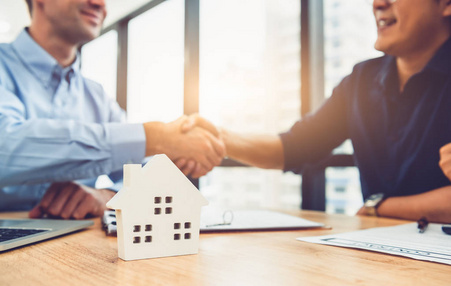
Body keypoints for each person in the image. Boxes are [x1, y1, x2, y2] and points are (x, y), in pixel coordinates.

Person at [179, 0, 451, 223]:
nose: (378, 3)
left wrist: (379, 208)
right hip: (376, 252)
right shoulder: (361, 79)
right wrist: (217, 138)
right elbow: (294, 146)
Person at [0, 0, 225, 219]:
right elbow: (5, 145)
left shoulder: (96, 96)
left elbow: (143, 175)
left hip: (72, 245)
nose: (100, 3)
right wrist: (156, 137)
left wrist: (109, 196)